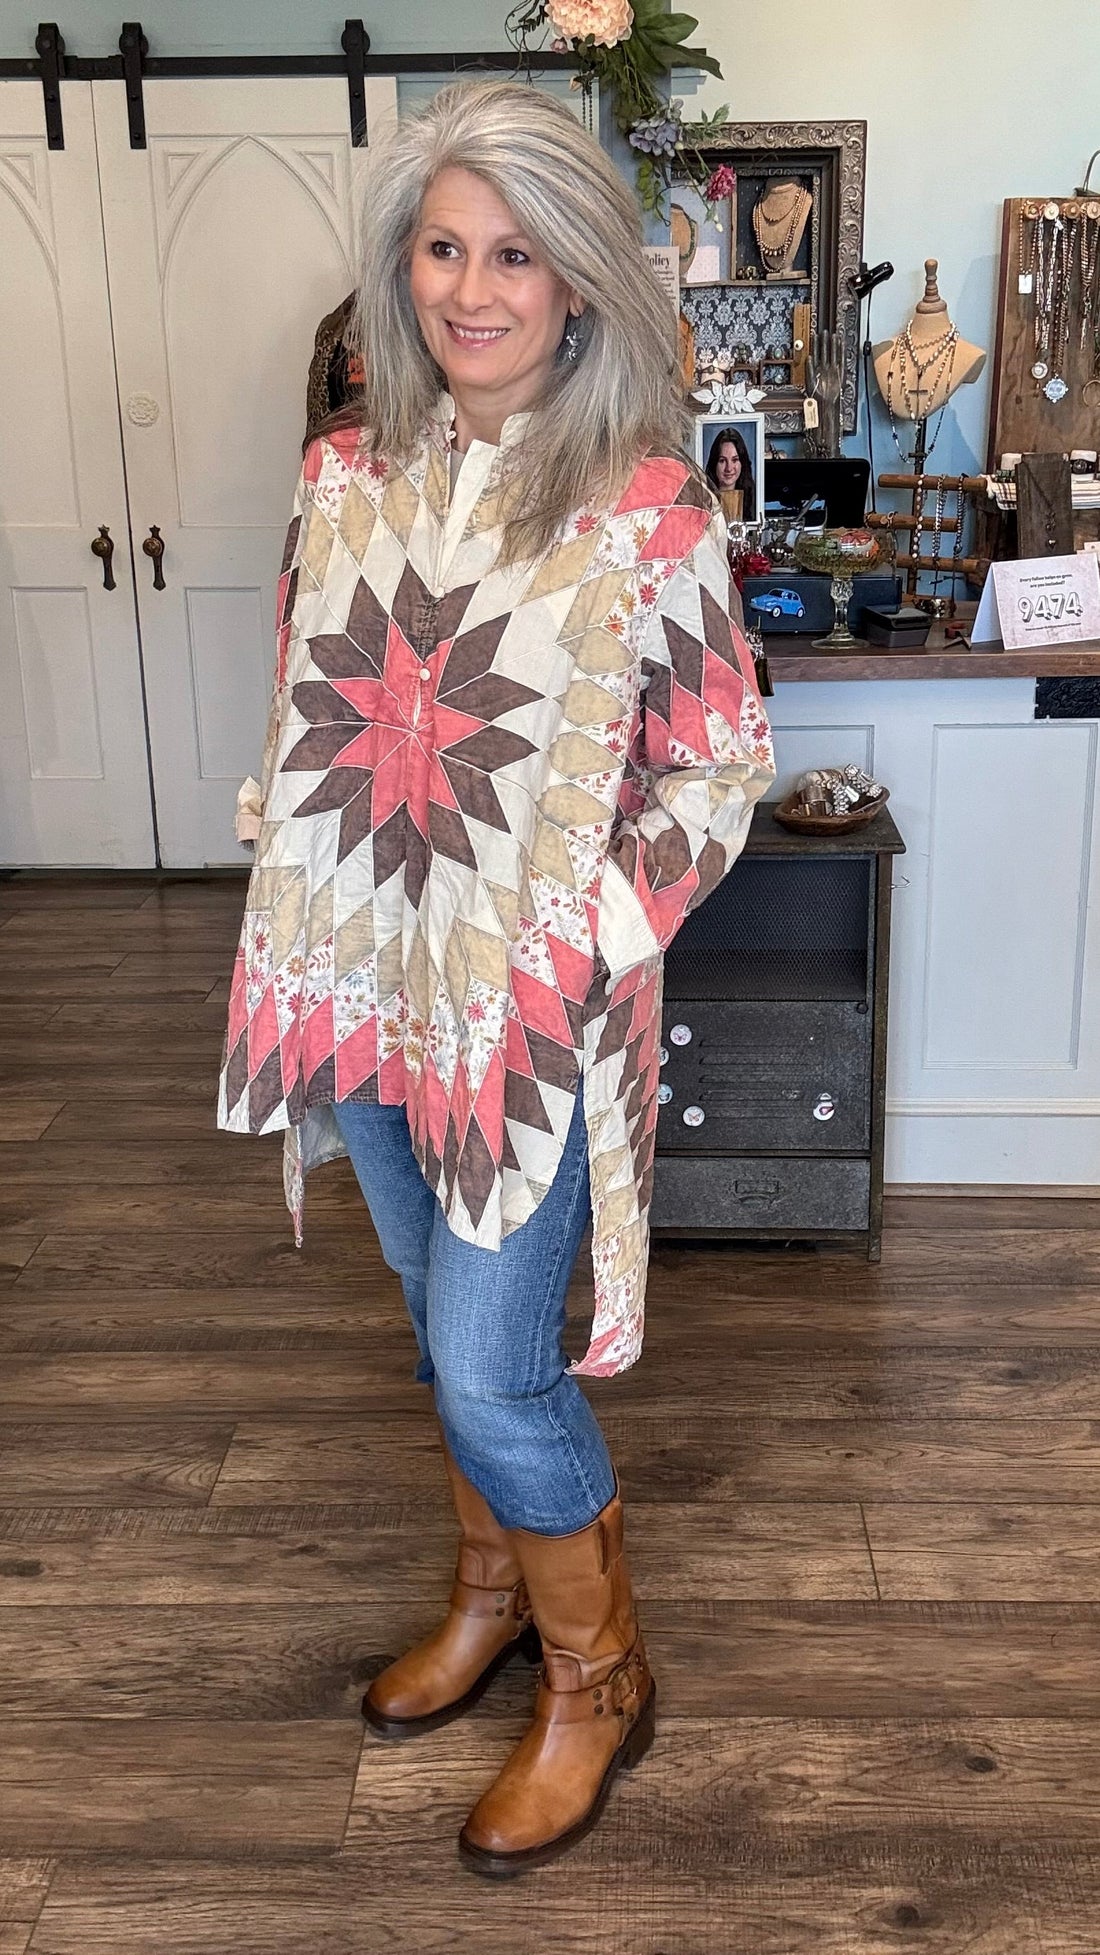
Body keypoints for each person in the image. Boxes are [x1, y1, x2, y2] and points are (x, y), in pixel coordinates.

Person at [218, 79, 775, 1878]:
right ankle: (492, 1596)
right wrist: (292, 811)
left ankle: (599, 1676)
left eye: (514, 254)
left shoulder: (648, 514)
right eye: (445, 248)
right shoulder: (343, 476)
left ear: (579, 279)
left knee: (494, 1365)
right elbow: (328, 673)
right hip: (368, 979)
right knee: (426, 1311)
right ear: (406, 268)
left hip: (528, 1022)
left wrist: (594, 935)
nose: (473, 289)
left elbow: (721, 764)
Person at [705, 424, 756, 518]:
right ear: (714, 463)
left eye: (735, 460)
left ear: (742, 463)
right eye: (722, 460)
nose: (729, 468)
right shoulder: (703, 499)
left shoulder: (754, 499)